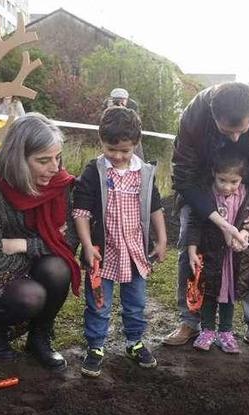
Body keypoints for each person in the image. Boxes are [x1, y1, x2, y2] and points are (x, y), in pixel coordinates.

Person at [166, 82, 249, 359]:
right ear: (213, 115)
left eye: (240, 130)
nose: (234, 138)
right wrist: (219, 221)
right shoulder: (194, 116)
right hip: (201, 189)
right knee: (190, 249)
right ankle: (190, 321)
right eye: (225, 130)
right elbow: (183, 176)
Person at [0, 113, 79, 372]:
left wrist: (21, 245)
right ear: (18, 159)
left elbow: (70, 243)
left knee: (58, 269)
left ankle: (39, 338)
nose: (55, 168)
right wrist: (46, 244)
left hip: (21, 261)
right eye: (43, 160)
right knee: (31, 294)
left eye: (57, 157)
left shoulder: (60, 186)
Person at [74, 106, 167, 377]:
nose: (117, 156)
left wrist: (161, 240)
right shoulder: (94, 171)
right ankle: (95, 347)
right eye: (110, 149)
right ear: (101, 141)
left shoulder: (145, 173)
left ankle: (135, 342)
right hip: (103, 253)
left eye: (124, 151)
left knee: (136, 303)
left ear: (135, 145)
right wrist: (88, 246)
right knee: (99, 303)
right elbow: (81, 211)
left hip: (136, 252)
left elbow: (156, 208)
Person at [187, 148, 249, 353]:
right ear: (213, 173)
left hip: (235, 258)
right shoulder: (206, 194)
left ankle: (226, 332)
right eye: (222, 180)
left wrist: (246, 233)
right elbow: (195, 223)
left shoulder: (248, 196)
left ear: (241, 179)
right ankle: (207, 330)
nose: (227, 187)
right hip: (210, 254)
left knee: (229, 293)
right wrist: (192, 250)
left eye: (233, 182)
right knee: (209, 291)